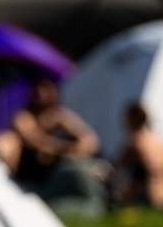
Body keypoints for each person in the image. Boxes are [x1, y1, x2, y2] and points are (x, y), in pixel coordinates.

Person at [11, 77, 104, 209]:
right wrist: (64, 147)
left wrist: (68, 148)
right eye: (36, 88)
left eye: (45, 88)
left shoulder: (60, 116)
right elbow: (35, 141)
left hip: (55, 172)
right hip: (29, 175)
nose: (40, 92)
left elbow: (90, 141)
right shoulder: (23, 116)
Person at [113, 103, 163, 210]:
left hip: (147, 195)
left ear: (132, 120)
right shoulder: (159, 141)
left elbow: (116, 166)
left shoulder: (135, 142)